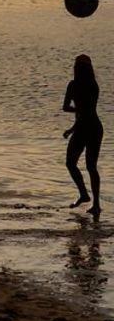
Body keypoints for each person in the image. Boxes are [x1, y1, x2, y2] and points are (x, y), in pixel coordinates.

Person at [63, 55, 103, 219]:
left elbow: (67, 107)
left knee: (73, 163)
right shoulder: (93, 85)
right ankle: (93, 202)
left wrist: (76, 114)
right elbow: (87, 112)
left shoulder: (74, 85)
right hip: (93, 127)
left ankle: (89, 198)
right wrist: (73, 128)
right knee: (89, 166)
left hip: (86, 128)